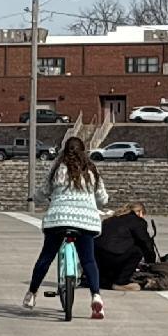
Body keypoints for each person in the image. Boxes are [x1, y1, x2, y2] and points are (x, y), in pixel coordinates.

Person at [23, 136, 109, 319]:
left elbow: (43, 191)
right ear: (83, 151)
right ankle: (96, 296)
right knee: (88, 260)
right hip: (85, 222)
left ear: (64, 149)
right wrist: (99, 202)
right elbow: (102, 197)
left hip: (58, 219)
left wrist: (34, 198)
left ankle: (32, 294)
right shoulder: (92, 170)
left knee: (46, 257)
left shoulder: (57, 168)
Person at [95, 202, 156, 291]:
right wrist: (151, 262)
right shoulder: (137, 221)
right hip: (113, 256)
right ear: (139, 212)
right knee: (137, 251)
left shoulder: (111, 219)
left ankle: (104, 280)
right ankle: (121, 281)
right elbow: (145, 243)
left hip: (98, 255)